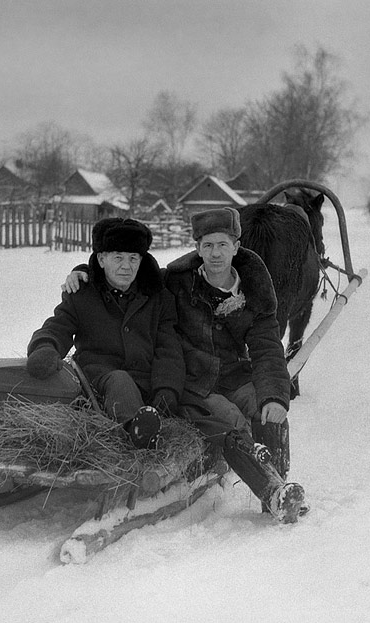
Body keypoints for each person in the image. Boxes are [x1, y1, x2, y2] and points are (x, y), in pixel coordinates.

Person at [64, 208, 306, 523]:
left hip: (234, 375)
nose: (215, 254)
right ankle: (268, 485)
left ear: (236, 245)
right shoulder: (177, 281)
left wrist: (274, 393)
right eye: (207, 246)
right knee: (228, 421)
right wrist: (82, 270)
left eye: (222, 245)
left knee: (269, 412)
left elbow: (267, 345)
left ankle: (278, 491)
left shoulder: (255, 290)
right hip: (194, 379)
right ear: (197, 248)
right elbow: (127, 274)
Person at [26, 217, 185, 449]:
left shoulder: (157, 296)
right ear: (101, 259)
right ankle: (138, 433)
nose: (126, 266)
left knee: (166, 401)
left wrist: (167, 389)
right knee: (120, 380)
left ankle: (148, 421)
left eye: (133, 258)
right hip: (96, 381)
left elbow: (168, 346)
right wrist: (45, 347)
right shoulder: (82, 293)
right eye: (118, 257)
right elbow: (58, 325)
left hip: (145, 380)